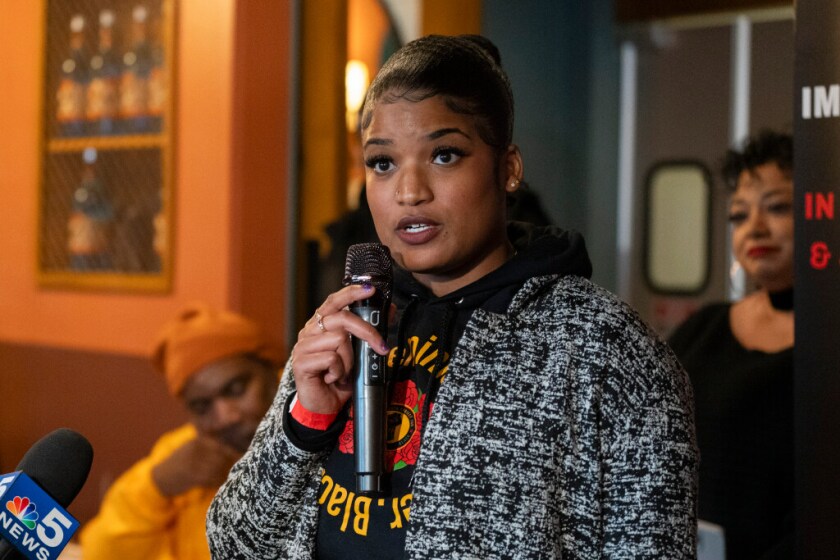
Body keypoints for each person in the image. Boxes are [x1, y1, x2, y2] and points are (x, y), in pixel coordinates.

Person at [207, 34, 697, 559]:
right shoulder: (347, 321)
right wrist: (306, 423)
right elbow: (233, 546)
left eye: (444, 155)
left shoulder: (604, 346)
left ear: (507, 169)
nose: (409, 191)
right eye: (382, 163)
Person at [668, 130, 794, 559]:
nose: (755, 228)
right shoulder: (703, 328)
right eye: (739, 216)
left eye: (778, 208)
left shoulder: (827, 346)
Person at [80, 304, 281, 560]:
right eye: (201, 406)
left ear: (273, 370)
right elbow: (100, 552)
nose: (225, 418)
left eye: (236, 389)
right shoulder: (183, 456)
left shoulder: (329, 431)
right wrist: (156, 487)